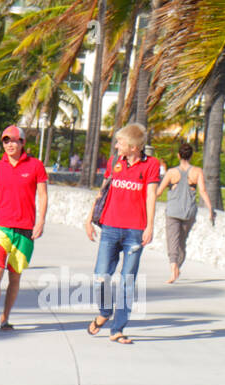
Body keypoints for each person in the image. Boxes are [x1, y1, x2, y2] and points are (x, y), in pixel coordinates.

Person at [84, 123, 160, 345]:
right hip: (110, 227)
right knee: (100, 277)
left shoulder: (151, 165)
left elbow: (151, 196)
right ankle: (105, 311)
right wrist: (89, 218)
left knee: (127, 281)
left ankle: (117, 329)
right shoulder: (114, 162)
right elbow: (103, 191)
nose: (116, 146)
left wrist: (150, 226)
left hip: (135, 232)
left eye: (121, 143)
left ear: (134, 147)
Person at [0, 125, 48, 334]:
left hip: (25, 229)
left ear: (22, 143)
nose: (9, 144)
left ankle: (5, 318)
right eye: (6, 141)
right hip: (0, 227)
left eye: (14, 140)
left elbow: (43, 195)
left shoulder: (36, 166)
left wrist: (41, 221)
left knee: (15, 276)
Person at [156, 141, 215, 284]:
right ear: (191, 156)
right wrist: (210, 209)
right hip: (189, 212)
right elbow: (203, 191)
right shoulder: (197, 172)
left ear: (178, 155)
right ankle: (176, 267)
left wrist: (146, 200)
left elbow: (158, 192)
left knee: (173, 241)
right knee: (182, 241)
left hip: (173, 211)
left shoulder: (171, 172)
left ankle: (173, 267)